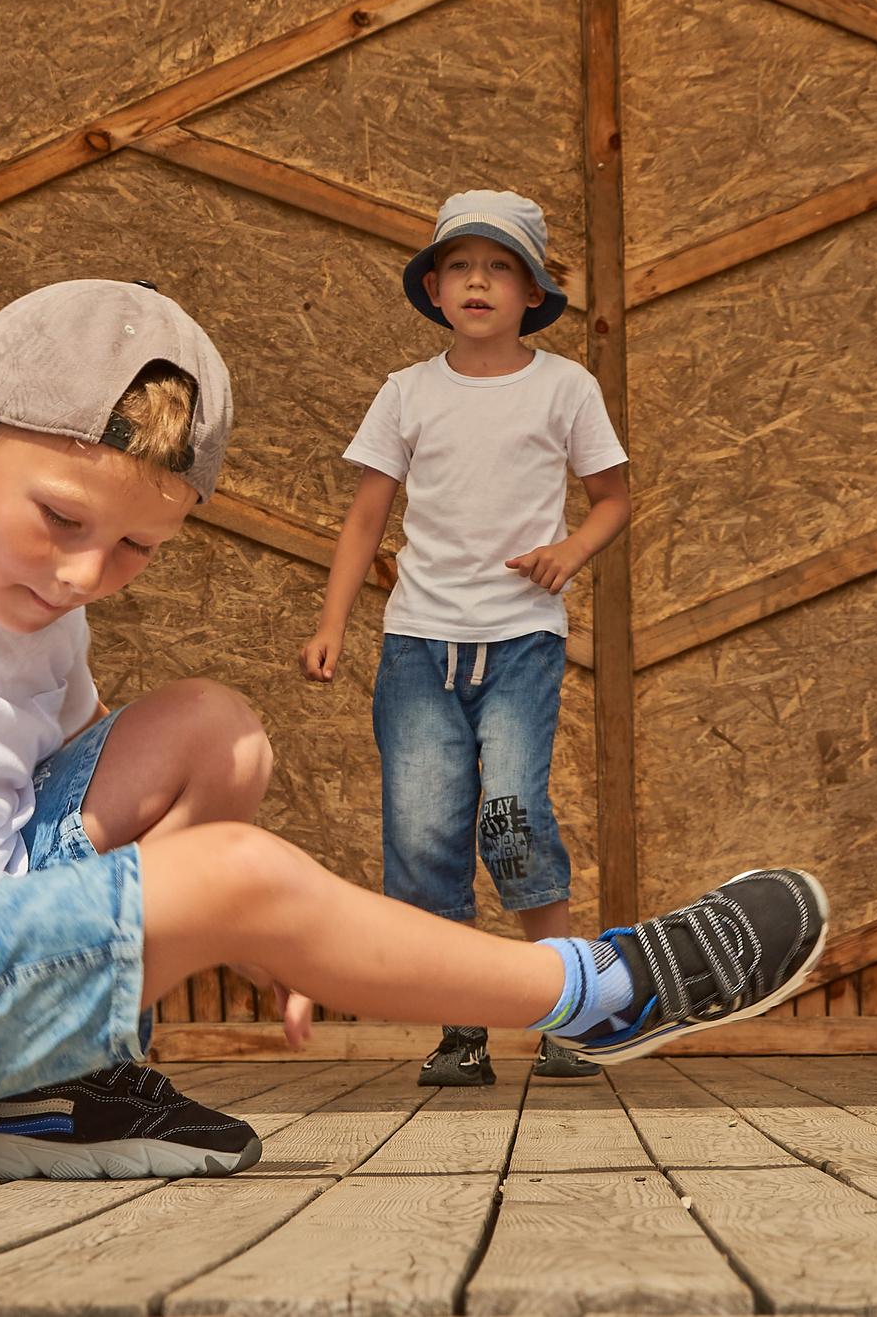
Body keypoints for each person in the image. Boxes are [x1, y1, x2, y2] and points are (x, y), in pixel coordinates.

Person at [0, 280, 826, 1194]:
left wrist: (234, 926)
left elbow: (84, 783)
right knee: (241, 873)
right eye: (61, 518)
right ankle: (601, 992)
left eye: (133, 550)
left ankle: (57, 1085)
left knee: (216, 733)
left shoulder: (34, 595)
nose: (80, 574)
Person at [300, 191, 632, 1088]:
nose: (477, 281)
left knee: (511, 817)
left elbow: (614, 499)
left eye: (500, 267)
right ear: (435, 289)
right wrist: (335, 622)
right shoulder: (406, 393)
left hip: (521, 641)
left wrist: (569, 552)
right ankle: (461, 1029)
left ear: (532, 291)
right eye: (459, 266)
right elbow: (367, 515)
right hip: (418, 647)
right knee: (422, 835)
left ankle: (572, 1006)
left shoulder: (566, 386)